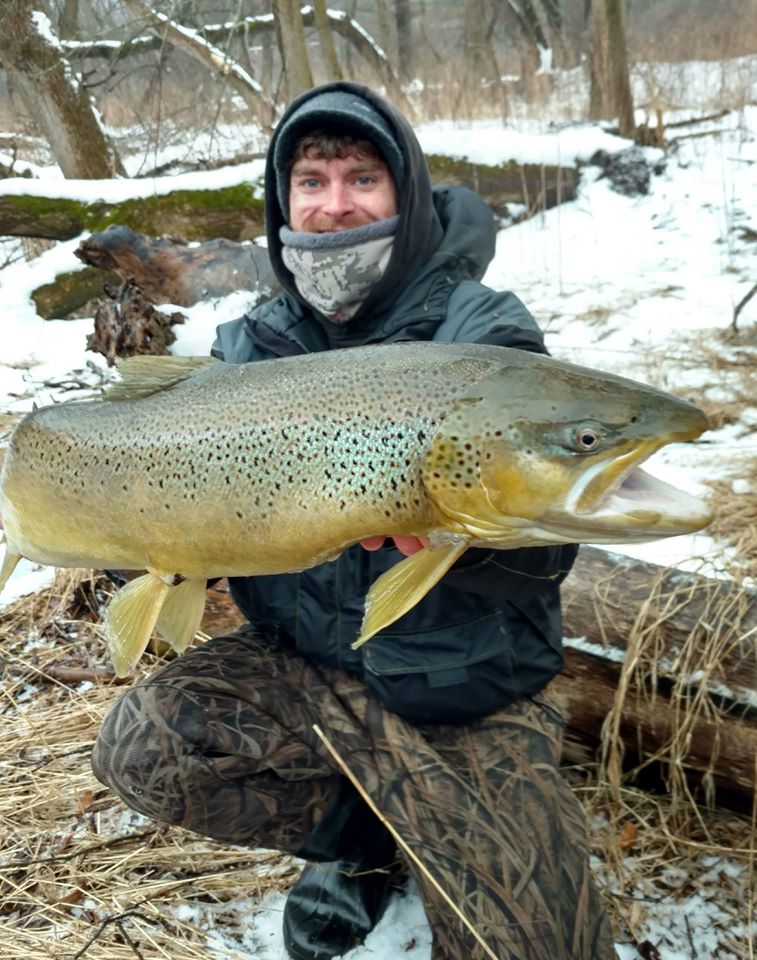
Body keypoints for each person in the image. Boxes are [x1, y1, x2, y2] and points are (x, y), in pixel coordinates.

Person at [92, 81, 615, 960]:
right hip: (305, 672)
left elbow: (549, 535)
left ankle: (423, 821)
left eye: (363, 179)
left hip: (463, 696)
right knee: (143, 744)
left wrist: (457, 541)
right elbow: (170, 552)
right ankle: (364, 847)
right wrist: (142, 541)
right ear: (282, 202)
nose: (335, 206)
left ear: (403, 198)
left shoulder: (481, 334)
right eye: (312, 181)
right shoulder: (245, 348)